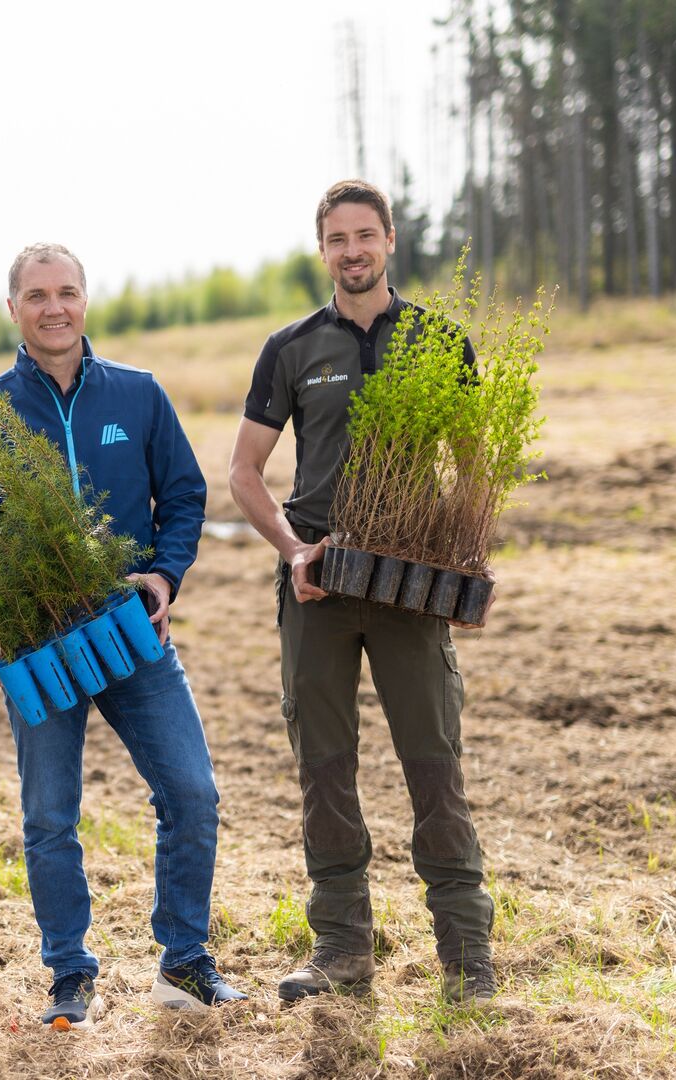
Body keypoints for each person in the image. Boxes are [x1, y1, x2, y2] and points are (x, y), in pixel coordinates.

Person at [0, 242, 246, 1029]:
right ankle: (68, 975)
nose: (55, 307)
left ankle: (184, 963)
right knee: (51, 815)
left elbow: (184, 496)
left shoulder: (139, 394)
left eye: (68, 292)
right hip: (36, 646)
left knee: (192, 792)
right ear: (13, 308)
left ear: (86, 301)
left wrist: (165, 574)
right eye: (38, 294)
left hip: (131, 634)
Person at [227, 180, 497, 1005]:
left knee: (433, 762)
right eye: (338, 238)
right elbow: (243, 474)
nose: (353, 251)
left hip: (410, 590)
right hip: (319, 587)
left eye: (366, 235)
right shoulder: (292, 347)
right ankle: (342, 947)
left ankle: (466, 958)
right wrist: (294, 550)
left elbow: (476, 464)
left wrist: (464, 554)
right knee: (324, 767)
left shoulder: (438, 340)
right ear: (323, 250)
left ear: (388, 242)